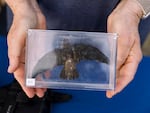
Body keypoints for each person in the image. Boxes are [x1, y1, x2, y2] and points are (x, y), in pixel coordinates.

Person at [5, 0, 149, 98]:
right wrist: (22, 5)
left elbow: (96, 54)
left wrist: (135, 7)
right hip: (38, 21)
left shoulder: (75, 50)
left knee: (117, 63)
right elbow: (43, 61)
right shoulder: (56, 54)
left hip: (121, 19)